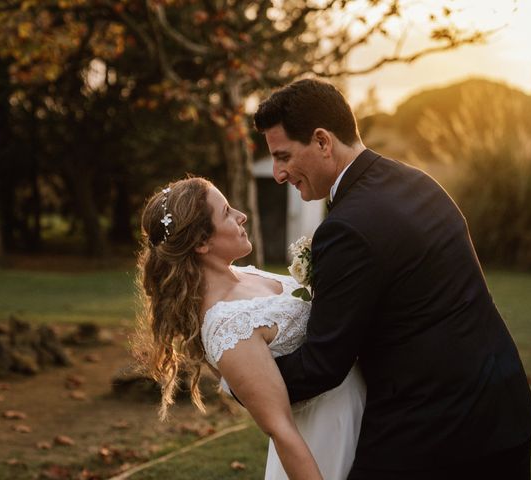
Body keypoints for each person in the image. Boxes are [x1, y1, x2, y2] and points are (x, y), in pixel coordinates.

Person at [252, 78, 531, 480]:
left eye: (284, 156)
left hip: (431, 432)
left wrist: (245, 378)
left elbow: (323, 364)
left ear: (322, 141)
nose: (280, 173)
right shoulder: (418, 182)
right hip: (502, 412)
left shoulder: (347, 227)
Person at [133, 177, 366, 480]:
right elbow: (280, 429)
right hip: (325, 437)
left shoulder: (243, 273)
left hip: (361, 407)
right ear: (202, 243)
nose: (241, 215)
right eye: (227, 211)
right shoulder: (229, 328)